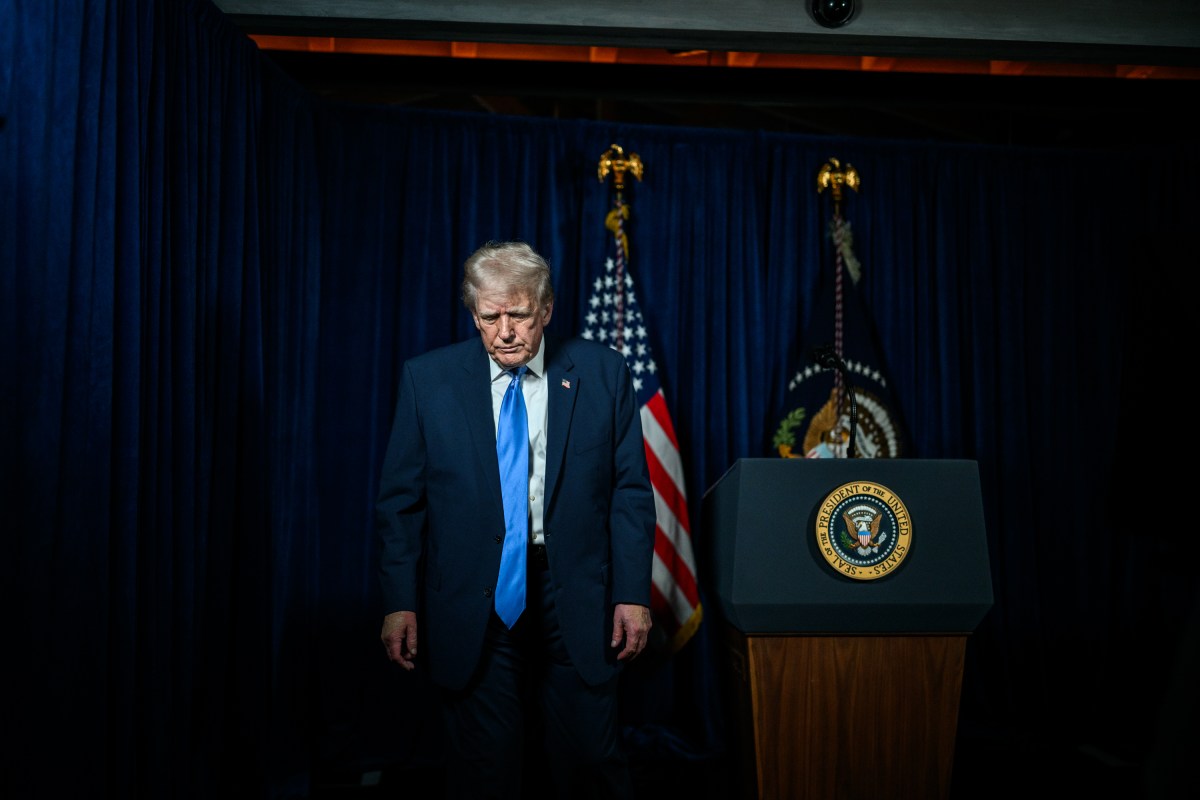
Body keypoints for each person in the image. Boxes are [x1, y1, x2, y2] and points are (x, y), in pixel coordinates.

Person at [376, 240, 656, 800]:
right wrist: (399, 601)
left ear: (545, 310)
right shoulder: (427, 381)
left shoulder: (603, 374)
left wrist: (632, 593)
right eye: (490, 316)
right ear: (474, 314)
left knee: (589, 762)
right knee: (486, 771)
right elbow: (400, 504)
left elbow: (630, 492)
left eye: (519, 315)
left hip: (571, 589)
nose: (505, 331)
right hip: (471, 594)